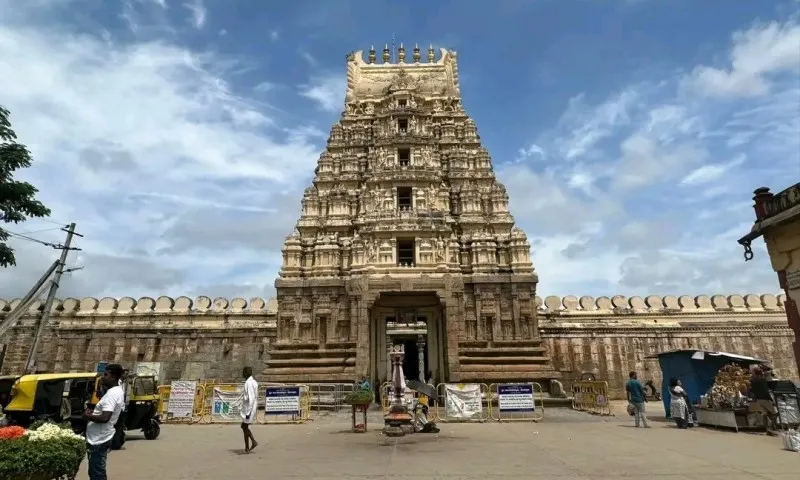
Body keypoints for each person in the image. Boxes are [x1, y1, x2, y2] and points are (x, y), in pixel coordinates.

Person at [83, 363, 125, 480]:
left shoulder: (112, 394)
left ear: (113, 377)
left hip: (99, 439)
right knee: (95, 471)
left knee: (97, 473)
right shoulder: (116, 391)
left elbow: (105, 418)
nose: (103, 377)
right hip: (100, 437)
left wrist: (87, 416)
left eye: (105, 375)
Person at [749, 367, 778, 435]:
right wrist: (771, 399)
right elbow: (765, 390)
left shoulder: (752, 380)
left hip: (758, 399)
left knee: (764, 414)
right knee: (775, 413)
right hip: (765, 399)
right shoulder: (762, 380)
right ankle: (770, 427)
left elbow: (752, 390)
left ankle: (767, 429)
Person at [240, 366, 259, 453]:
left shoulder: (249, 383)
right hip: (251, 407)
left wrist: (248, 412)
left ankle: (253, 441)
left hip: (249, 408)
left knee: (244, 426)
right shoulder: (253, 382)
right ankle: (247, 447)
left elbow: (250, 398)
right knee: (245, 427)